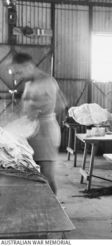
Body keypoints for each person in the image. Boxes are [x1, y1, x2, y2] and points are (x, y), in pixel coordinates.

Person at [10, 53, 67, 195]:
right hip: (33, 130)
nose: (18, 76)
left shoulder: (46, 81)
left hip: (45, 132)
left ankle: (55, 210)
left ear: (29, 66)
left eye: (19, 71)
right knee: (33, 174)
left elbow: (60, 104)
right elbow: (27, 105)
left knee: (47, 175)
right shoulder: (30, 83)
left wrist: (38, 108)